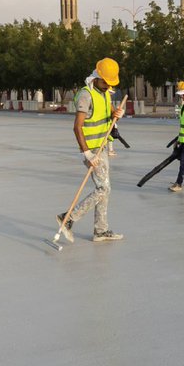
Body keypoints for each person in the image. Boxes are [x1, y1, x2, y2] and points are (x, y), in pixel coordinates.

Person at [57, 58, 125, 243]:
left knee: (105, 189)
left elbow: (109, 112)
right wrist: (86, 153)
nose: (107, 87)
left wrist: (116, 114)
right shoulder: (86, 95)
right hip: (91, 149)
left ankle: (100, 231)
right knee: (103, 188)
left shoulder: (105, 93)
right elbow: (77, 127)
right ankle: (69, 218)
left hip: (101, 146)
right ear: (97, 77)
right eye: (105, 83)